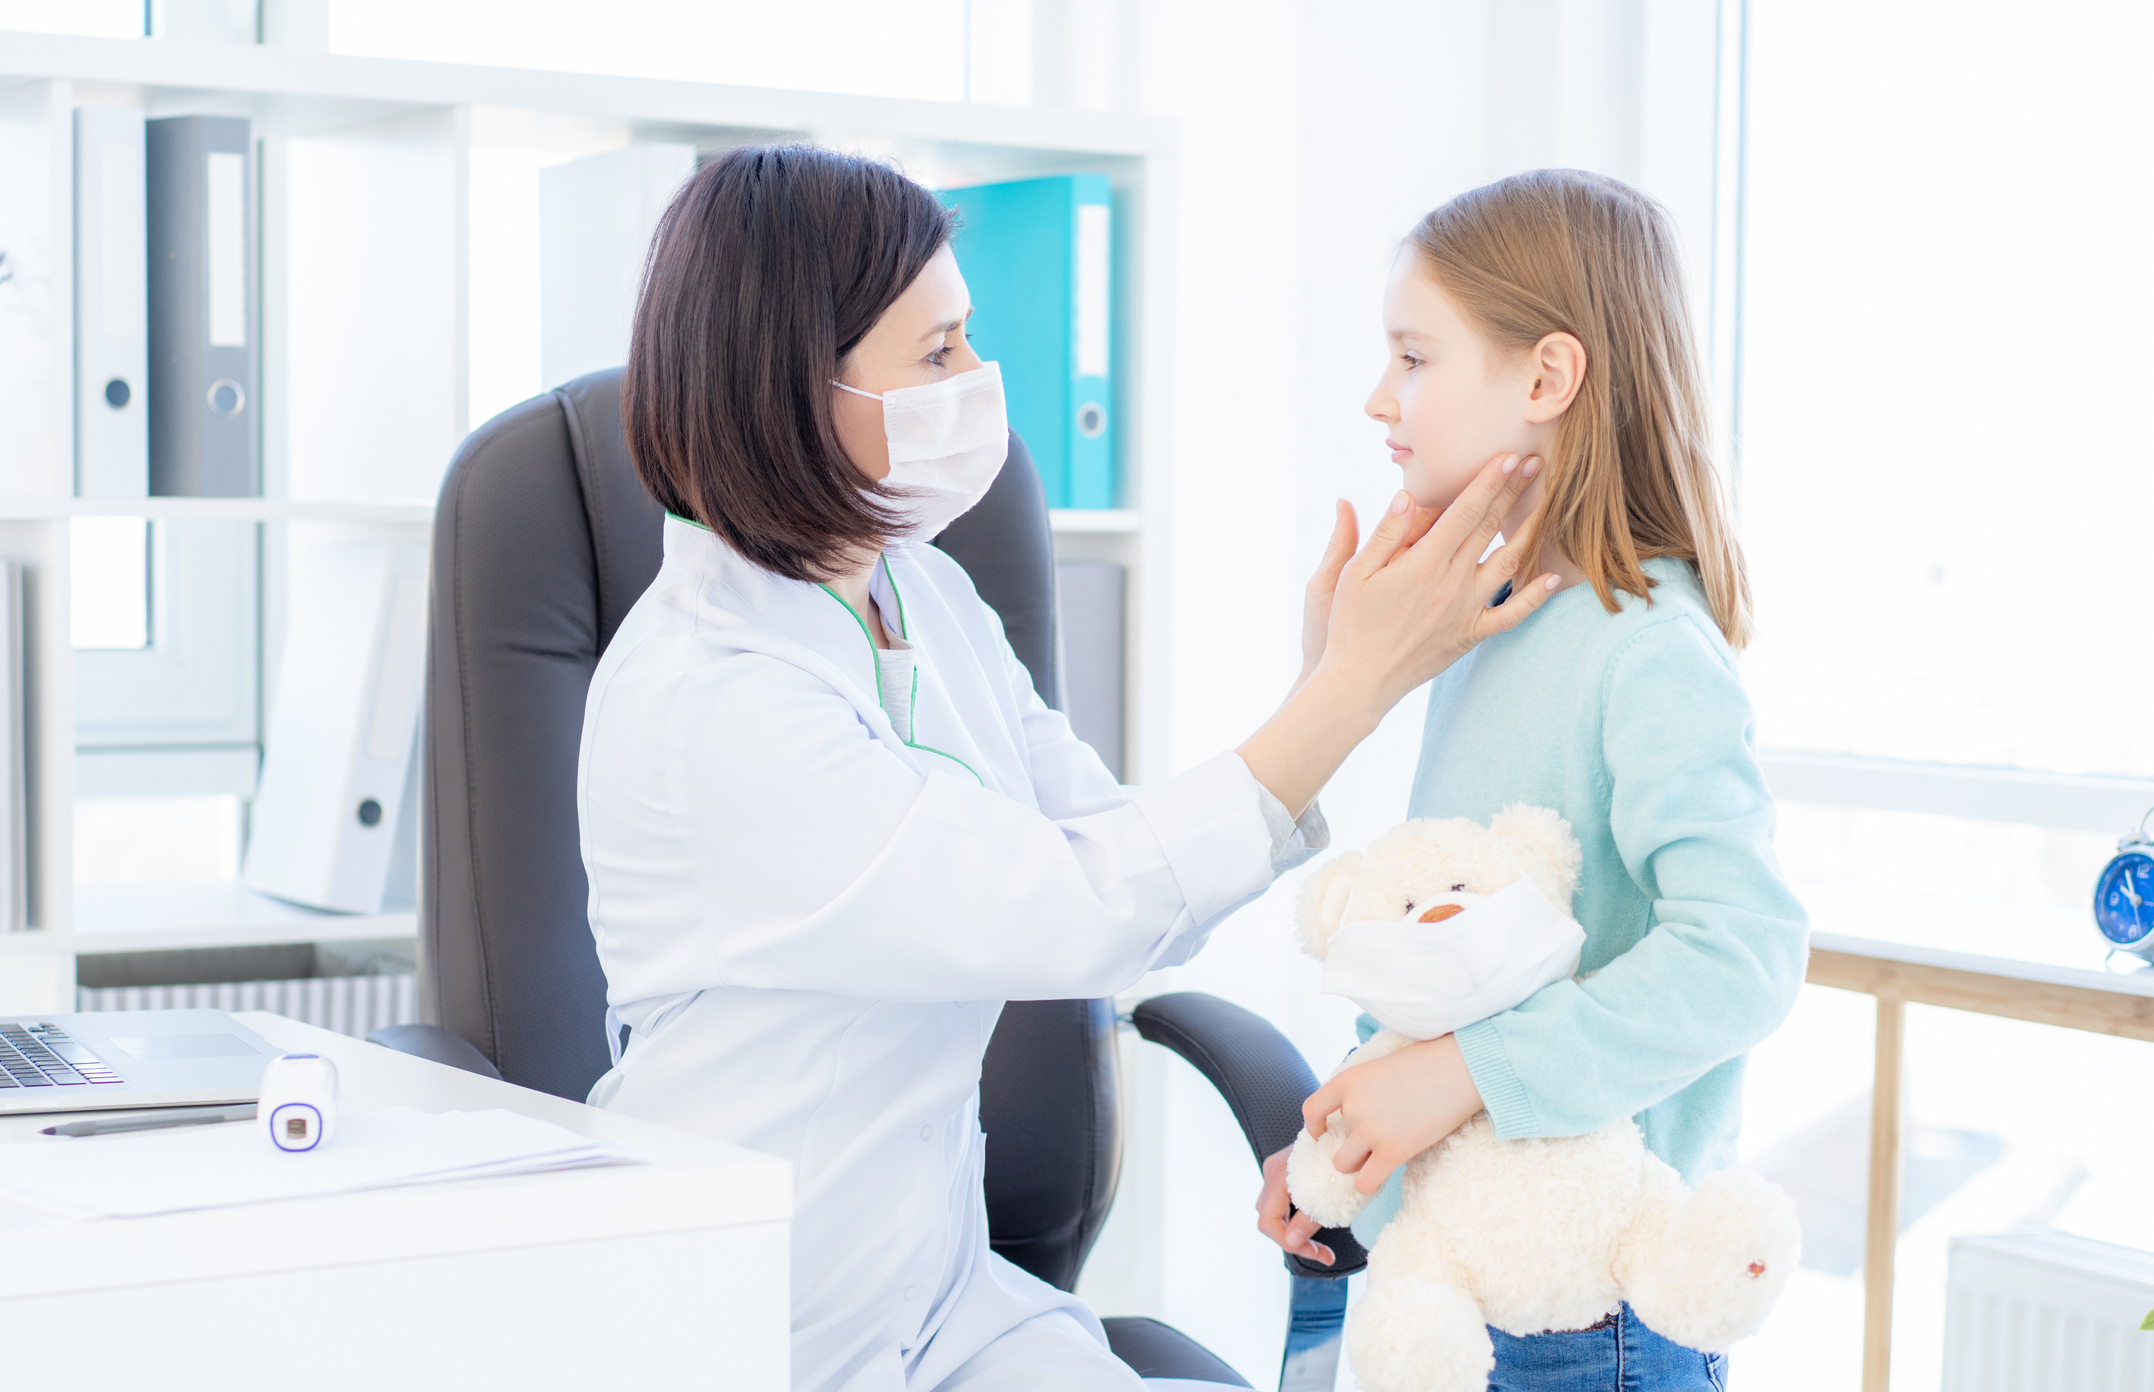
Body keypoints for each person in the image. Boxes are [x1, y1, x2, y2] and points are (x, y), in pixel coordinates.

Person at [576, 144, 1561, 1392]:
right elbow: (1073, 911)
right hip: (750, 1333)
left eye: (967, 340)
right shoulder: (707, 698)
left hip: (940, 1301)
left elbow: (1119, 862)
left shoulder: (918, 592)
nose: (983, 382)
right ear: (790, 392)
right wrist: (1350, 693)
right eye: (936, 355)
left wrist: (1322, 693)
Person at [1255, 169, 1809, 1389]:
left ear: (1546, 381)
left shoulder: (1647, 649)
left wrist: (1450, 1082)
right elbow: (1443, 960)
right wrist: (1355, 1143)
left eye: (1413, 356)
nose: (1377, 397)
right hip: (1454, 1285)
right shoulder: (1498, 630)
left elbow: (1746, 952)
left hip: (1595, 1315)